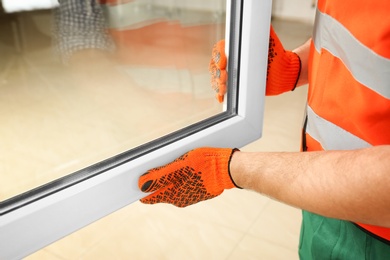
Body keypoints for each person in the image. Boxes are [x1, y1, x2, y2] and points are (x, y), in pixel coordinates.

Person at [138, 0, 390, 258]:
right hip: (321, 196)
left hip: (376, 231)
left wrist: (228, 169)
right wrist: (295, 67)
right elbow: (356, 34)